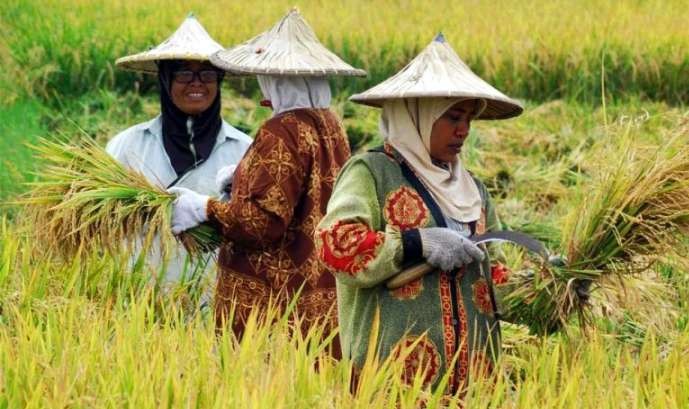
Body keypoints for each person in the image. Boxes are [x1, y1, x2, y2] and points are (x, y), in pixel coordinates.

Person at [315, 33, 524, 393]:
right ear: (416, 116)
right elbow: (335, 244)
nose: (464, 130)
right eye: (453, 117)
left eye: (469, 118)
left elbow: (495, 273)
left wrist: (548, 292)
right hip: (394, 384)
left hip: (474, 386)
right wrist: (415, 243)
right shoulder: (372, 172)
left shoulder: (472, 189)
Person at [167, 9, 366, 353]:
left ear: (275, 79)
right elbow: (309, 192)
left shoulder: (281, 129)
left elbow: (259, 225)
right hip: (319, 293)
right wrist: (244, 177)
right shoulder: (330, 126)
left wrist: (202, 208)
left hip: (274, 306)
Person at [106, 15, 252, 302]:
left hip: (213, 305)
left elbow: (257, 229)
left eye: (207, 74)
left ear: (219, 79)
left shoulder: (245, 151)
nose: (197, 84)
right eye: (184, 73)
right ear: (165, 78)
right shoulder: (127, 146)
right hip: (138, 304)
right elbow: (101, 224)